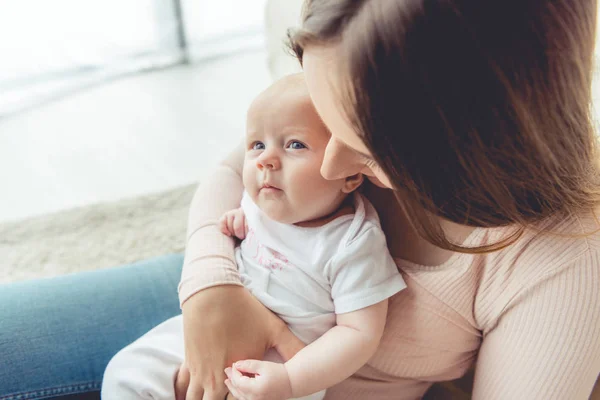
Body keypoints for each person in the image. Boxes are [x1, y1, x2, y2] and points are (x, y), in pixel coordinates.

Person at [1, 0, 599, 399]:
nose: (334, 166)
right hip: (227, 271)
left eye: (365, 153)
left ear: (465, 146)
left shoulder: (566, 258)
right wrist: (209, 282)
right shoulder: (356, 64)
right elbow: (228, 172)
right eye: (322, 122)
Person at [100, 73, 406, 400]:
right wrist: (238, 220)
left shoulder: (353, 242)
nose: (265, 160)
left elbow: (359, 333)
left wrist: (290, 379)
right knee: (128, 372)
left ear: (350, 174)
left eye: (295, 145)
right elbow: (234, 202)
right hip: (213, 325)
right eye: (257, 145)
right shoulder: (260, 203)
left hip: (277, 371)